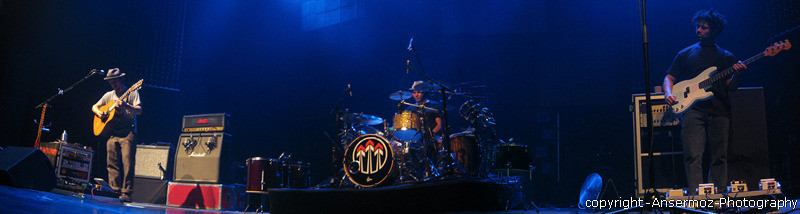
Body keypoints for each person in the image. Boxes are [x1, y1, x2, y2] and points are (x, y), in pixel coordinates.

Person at [662, 9, 746, 194]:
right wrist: (668, 93)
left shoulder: (725, 56)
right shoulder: (686, 53)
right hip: (693, 110)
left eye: (704, 27)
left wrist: (737, 75)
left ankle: (716, 197)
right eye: (697, 26)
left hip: (720, 110)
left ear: (714, 31)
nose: (699, 30)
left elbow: (731, 88)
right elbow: (669, 77)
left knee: (719, 156)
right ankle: (696, 197)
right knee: (693, 155)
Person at [91, 68, 142, 201]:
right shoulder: (109, 95)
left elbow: (139, 110)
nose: (113, 85)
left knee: (127, 163)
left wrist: (126, 105)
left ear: (121, 79)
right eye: (111, 83)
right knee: (111, 162)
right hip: (113, 133)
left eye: (115, 82)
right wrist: (99, 113)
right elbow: (94, 106)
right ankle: (114, 190)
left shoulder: (132, 92)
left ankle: (127, 192)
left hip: (128, 132)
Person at [405, 81, 443, 149]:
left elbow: (439, 125)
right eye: (414, 93)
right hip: (417, 139)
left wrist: (431, 135)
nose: (416, 95)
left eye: (419, 92)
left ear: (424, 92)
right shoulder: (410, 108)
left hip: (433, 136)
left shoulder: (434, 105)